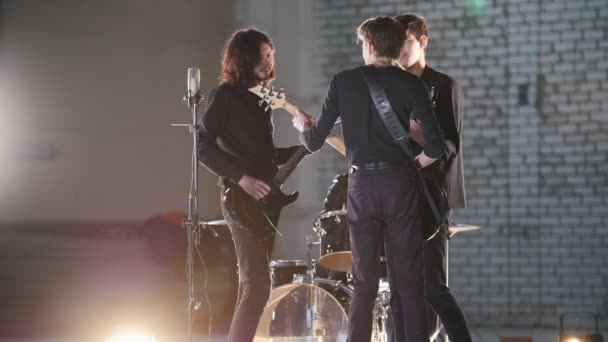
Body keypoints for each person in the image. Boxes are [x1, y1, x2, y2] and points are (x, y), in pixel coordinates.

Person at [292, 16, 446, 342]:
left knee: (364, 283)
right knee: (408, 281)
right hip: (401, 186)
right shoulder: (411, 84)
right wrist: (410, 167)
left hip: (361, 187)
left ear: (371, 45)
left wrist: (303, 128)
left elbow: (316, 141)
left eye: (363, 44)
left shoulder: (343, 82)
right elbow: (435, 147)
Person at [197, 28, 302, 342]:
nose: (268, 61)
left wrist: (306, 146)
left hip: (265, 201)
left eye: (271, 54)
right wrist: (241, 178)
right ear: (243, 57)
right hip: (240, 200)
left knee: (258, 286)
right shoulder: (225, 95)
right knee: (255, 287)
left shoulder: (263, 97)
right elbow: (202, 146)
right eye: (261, 55)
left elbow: (266, 155)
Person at [388, 13, 471, 342]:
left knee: (433, 287)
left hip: (430, 199)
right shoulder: (389, 87)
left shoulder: (443, 86)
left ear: (422, 42)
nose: (400, 51)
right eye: (395, 45)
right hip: (394, 196)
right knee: (397, 289)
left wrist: (417, 134)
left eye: (406, 42)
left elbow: (450, 146)